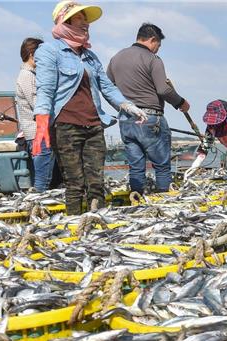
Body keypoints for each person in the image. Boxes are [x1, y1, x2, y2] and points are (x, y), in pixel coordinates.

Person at [33, 1, 147, 215]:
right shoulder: (49, 51)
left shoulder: (90, 57)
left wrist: (128, 106)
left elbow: (107, 87)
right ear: (65, 21)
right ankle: (75, 224)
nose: (86, 25)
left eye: (86, 21)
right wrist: (41, 122)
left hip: (94, 126)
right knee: (74, 183)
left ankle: (97, 225)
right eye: (80, 19)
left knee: (96, 182)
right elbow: (45, 89)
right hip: (66, 127)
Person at [107, 23, 189, 194]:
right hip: (151, 118)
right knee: (161, 165)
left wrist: (122, 108)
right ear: (153, 40)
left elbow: (108, 88)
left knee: (136, 166)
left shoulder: (116, 58)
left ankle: (136, 199)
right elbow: (163, 89)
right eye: (158, 45)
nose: (157, 50)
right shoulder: (153, 59)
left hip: (126, 120)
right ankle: (163, 199)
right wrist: (181, 103)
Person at [16, 37, 55, 192]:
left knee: (45, 178)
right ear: (33, 54)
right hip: (38, 134)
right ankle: (37, 207)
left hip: (38, 133)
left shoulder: (30, 74)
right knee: (42, 181)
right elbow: (38, 104)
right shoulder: (27, 76)